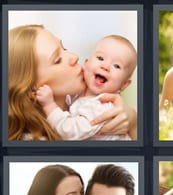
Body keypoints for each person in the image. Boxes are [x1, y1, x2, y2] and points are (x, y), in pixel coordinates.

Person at [8, 25, 137, 140]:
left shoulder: (97, 104)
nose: (74, 57)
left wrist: (134, 121)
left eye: (64, 48)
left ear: (125, 84)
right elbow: (70, 131)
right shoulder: (34, 140)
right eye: (57, 60)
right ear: (32, 89)